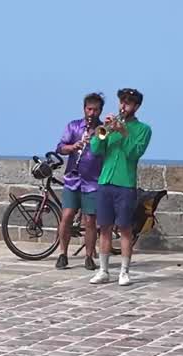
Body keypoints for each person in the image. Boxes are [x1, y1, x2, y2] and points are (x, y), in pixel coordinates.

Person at [88, 88, 152, 287]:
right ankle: (103, 270)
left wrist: (124, 133)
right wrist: (103, 132)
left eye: (129, 103)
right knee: (104, 228)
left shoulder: (143, 129)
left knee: (125, 229)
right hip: (105, 182)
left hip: (125, 184)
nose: (124, 106)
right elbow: (95, 149)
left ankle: (124, 271)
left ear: (137, 106)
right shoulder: (111, 126)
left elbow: (135, 153)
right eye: (122, 102)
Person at [52, 93, 105, 270]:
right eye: (89, 109)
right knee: (67, 216)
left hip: (93, 181)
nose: (92, 113)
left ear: (100, 111)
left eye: (95, 110)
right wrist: (73, 147)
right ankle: (62, 254)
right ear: (84, 109)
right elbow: (60, 147)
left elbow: (106, 150)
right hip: (73, 179)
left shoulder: (102, 130)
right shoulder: (73, 126)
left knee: (90, 220)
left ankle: (89, 256)